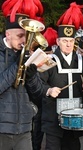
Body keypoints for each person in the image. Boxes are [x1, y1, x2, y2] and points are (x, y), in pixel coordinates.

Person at [39, 24, 83, 150]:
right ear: (58, 41)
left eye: (71, 41)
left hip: (75, 119)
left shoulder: (81, 60)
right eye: (65, 41)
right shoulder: (48, 60)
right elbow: (38, 83)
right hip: (53, 118)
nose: (68, 44)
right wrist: (48, 90)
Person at [0, 13, 44, 150]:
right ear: (8, 35)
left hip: (24, 128)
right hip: (2, 130)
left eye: (26, 35)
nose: (24, 40)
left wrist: (31, 76)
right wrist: (18, 64)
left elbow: (39, 94)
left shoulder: (25, 55)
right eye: (20, 36)